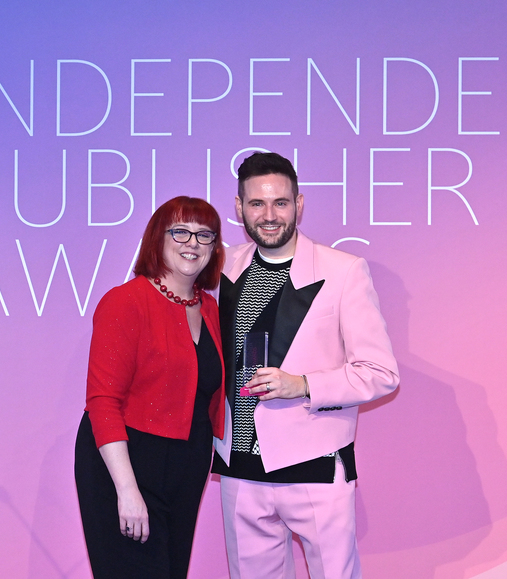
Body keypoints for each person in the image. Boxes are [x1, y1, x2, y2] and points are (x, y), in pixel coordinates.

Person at [211, 152, 400, 579]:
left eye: (280, 202)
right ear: (239, 209)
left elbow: (381, 372)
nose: (270, 215)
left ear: (299, 204)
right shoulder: (220, 268)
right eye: (257, 204)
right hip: (239, 469)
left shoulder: (344, 271)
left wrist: (303, 384)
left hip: (315, 466)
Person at [75, 196, 227, 579]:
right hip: (127, 462)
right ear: (158, 238)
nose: (192, 243)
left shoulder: (209, 308)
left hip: (186, 466)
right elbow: (102, 402)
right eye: (180, 231)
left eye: (204, 235)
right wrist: (126, 490)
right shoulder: (125, 302)